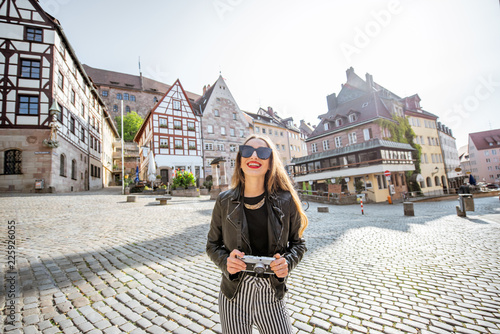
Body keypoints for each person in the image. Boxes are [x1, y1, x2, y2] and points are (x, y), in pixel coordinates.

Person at [206, 134, 308, 334]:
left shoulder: (286, 201)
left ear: (270, 162)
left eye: (262, 152)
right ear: (240, 160)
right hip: (233, 294)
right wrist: (226, 261)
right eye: (247, 151)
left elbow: (298, 244)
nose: (254, 157)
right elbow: (212, 245)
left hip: (271, 293)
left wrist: (287, 262)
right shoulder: (224, 201)